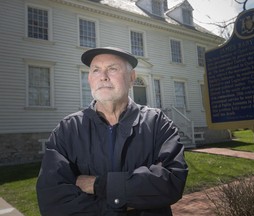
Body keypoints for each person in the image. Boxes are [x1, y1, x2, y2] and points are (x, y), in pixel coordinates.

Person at [36, 47, 188, 216]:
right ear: (89, 79)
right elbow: (53, 200)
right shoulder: (67, 130)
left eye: (112, 69)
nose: (103, 76)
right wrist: (121, 205)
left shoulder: (157, 123)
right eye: (96, 70)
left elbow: (171, 181)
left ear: (132, 78)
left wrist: (97, 185)